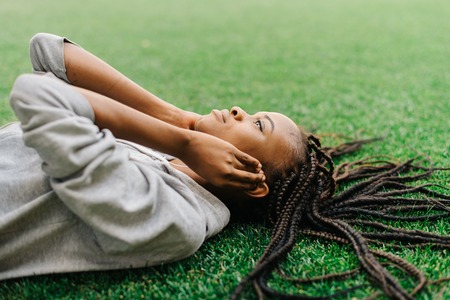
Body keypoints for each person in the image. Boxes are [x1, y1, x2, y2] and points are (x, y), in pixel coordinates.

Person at [1, 34, 448, 299]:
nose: (237, 109)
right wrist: (181, 123)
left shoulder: (173, 217)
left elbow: (36, 93)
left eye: (256, 123)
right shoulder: (164, 157)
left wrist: (181, 137)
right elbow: (47, 51)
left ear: (252, 177)